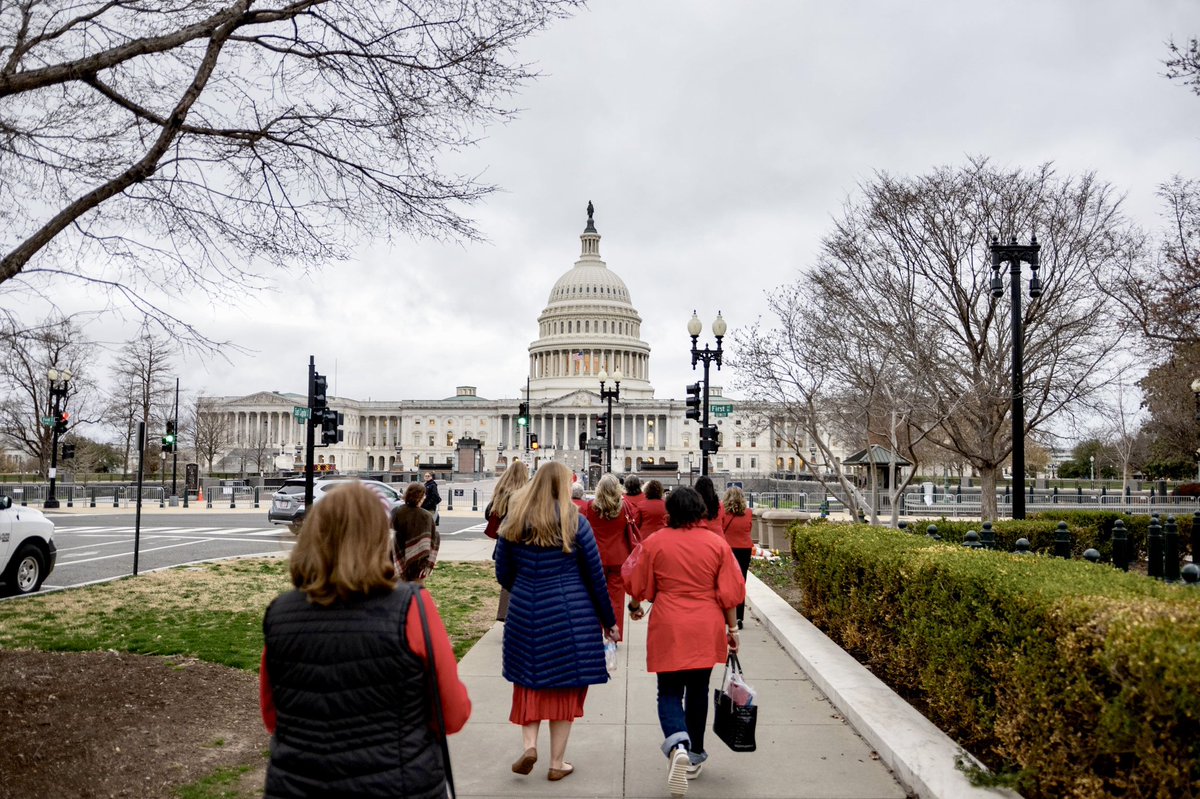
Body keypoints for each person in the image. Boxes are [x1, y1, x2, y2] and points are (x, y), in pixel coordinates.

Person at [260, 481, 471, 797]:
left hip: (298, 784)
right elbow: (452, 714)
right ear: (379, 537)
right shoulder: (412, 606)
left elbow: (273, 716)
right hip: (399, 781)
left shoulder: (280, 614)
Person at [495, 461, 619, 782]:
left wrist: (522, 588)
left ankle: (529, 745)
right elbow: (595, 577)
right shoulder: (576, 522)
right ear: (564, 486)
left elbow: (503, 572)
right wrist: (609, 620)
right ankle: (557, 762)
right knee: (565, 684)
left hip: (524, 609)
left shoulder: (514, 520)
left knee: (528, 678)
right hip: (569, 611)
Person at [624, 485, 744, 798]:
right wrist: (733, 630)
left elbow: (635, 580)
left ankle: (677, 743)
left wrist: (635, 607)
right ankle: (694, 753)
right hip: (705, 622)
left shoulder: (655, 542)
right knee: (698, 690)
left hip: (669, 622)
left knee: (668, 691)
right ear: (701, 510)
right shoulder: (716, 544)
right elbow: (730, 592)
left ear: (671, 512)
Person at [584, 473, 637, 638]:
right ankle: (613, 631)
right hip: (618, 557)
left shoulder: (591, 506)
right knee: (616, 598)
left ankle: (595, 629)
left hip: (596, 556)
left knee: (595, 596)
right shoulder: (624, 506)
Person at [485, 461, 530, 621]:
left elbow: (488, 513)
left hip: (503, 541)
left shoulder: (501, 491)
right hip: (520, 540)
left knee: (507, 581)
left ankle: (504, 613)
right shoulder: (525, 493)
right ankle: (518, 615)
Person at [391, 482, 439, 583]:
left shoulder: (396, 511)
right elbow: (433, 538)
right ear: (420, 497)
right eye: (424, 495)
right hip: (419, 564)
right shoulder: (426, 516)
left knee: (399, 590)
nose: (425, 497)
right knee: (416, 592)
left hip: (396, 558)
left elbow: (390, 534)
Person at [721, 486, 754, 629]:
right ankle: (739, 617)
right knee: (741, 582)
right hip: (744, 549)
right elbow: (749, 528)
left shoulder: (722, 512)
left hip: (728, 549)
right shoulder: (748, 513)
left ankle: (726, 615)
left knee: (726, 582)